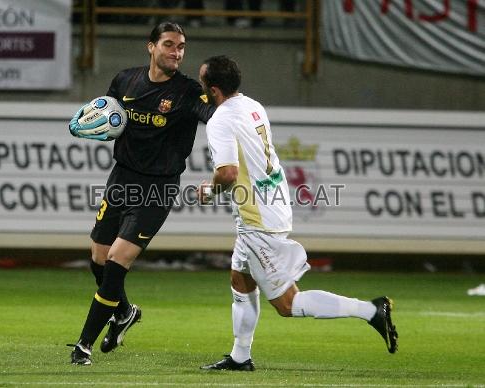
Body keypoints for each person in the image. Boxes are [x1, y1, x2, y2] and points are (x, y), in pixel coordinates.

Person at [196, 55, 398, 371]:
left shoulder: (220, 120)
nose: (200, 86)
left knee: (288, 304)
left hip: (257, 218)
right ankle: (239, 356)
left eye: (202, 81)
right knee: (240, 279)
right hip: (271, 202)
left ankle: (371, 311)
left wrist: (208, 190)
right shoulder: (253, 105)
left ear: (213, 89)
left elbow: (229, 173)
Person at [67, 21, 215, 366]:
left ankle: (83, 346)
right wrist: (96, 126)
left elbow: (216, 117)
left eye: (181, 47)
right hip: (122, 180)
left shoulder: (189, 92)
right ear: (151, 46)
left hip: (158, 187)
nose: (176, 52)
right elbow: (108, 116)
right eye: (168, 45)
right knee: (98, 261)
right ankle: (124, 313)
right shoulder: (125, 80)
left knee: (117, 261)